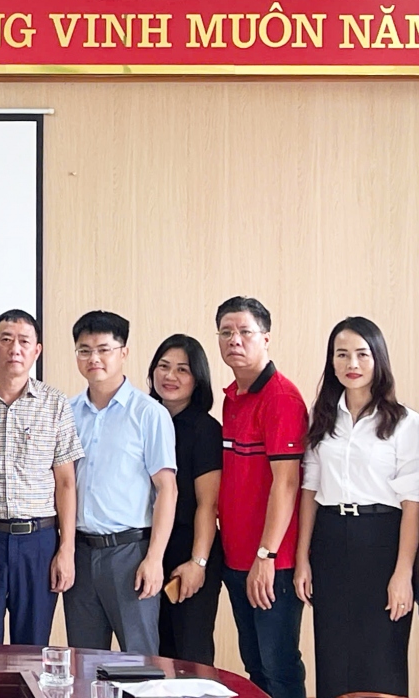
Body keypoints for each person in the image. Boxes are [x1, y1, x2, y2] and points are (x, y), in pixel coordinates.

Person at [293, 317, 418, 698]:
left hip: (382, 543)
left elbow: (412, 504)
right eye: (342, 354)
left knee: (381, 669)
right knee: (335, 669)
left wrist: (403, 573)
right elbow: (309, 491)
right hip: (331, 542)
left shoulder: (405, 423)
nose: (352, 363)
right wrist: (302, 560)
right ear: (331, 361)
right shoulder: (322, 418)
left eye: (362, 354)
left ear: (378, 359)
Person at [0, 309, 83, 646]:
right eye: (6, 339)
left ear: (37, 350)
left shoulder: (54, 403)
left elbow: (66, 482)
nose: (15, 349)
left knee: (33, 648)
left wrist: (66, 549)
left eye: (24, 341)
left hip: (39, 542)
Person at [64, 310, 176, 656]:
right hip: (80, 554)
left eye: (104, 349)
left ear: (123, 352)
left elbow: (167, 489)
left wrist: (154, 559)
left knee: (140, 661)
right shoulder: (67, 412)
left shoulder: (148, 413)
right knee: (83, 662)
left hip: (129, 553)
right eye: (84, 350)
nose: (94, 358)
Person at [214, 296, 307, 698]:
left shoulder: (281, 398)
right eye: (226, 332)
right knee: (255, 669)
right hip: (236, 559)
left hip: (271, 562)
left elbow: (286, 484)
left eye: (245, 332)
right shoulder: (232, 396)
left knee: (279, 668)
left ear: (265, 338)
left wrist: (266, 557)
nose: (234, 340)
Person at [147, 335, 224, 666]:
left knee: (191, 655)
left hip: (189, 548)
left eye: (182, 369)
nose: (170, 376)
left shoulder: (205, 429)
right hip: (149, 548)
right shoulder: (145, 419)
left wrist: (198, 562)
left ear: (198, 378)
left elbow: (208, 504)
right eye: (163, 366)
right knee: (155, 653)